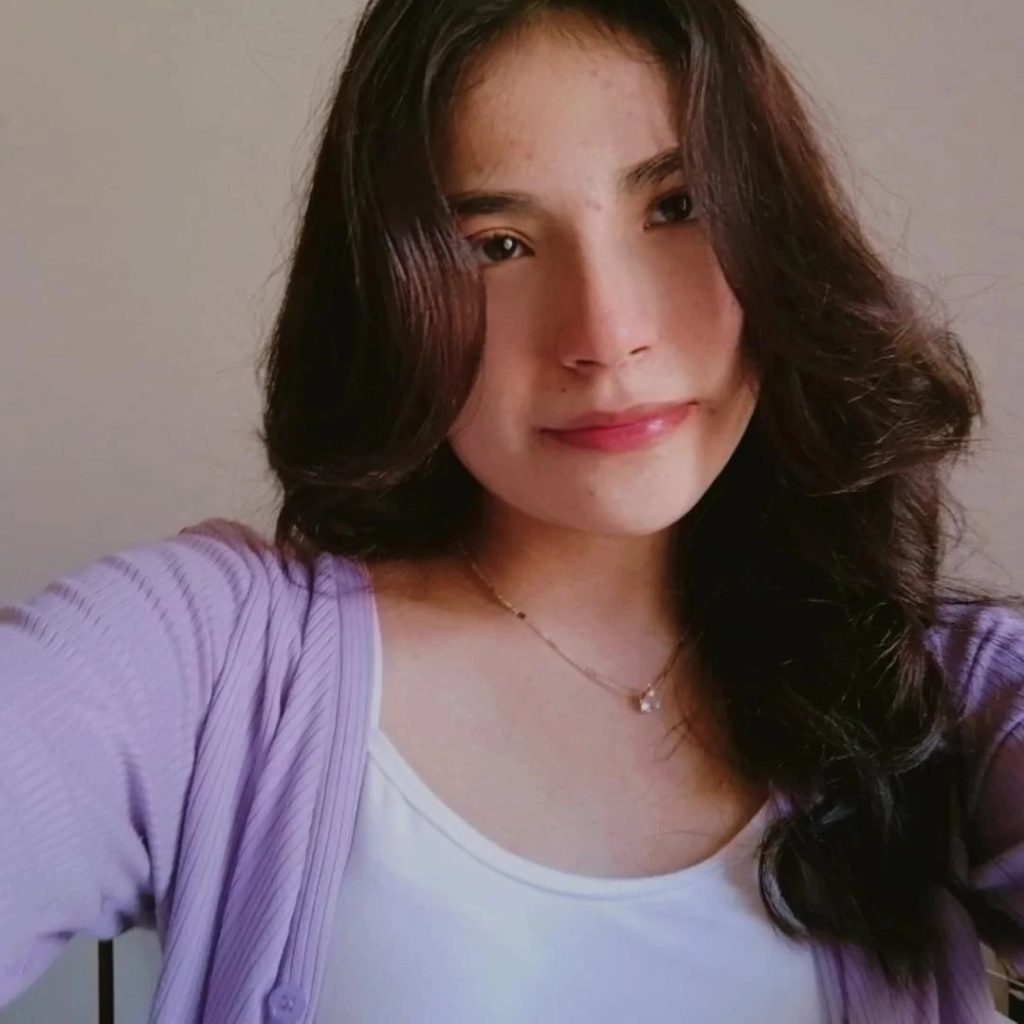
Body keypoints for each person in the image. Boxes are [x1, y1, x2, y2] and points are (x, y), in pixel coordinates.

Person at [1, 0, 1022, 1020]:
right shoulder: (212, 664)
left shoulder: (938, 690)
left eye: (678, 205)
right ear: (387, 297)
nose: (607, 335)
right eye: (496, 245)